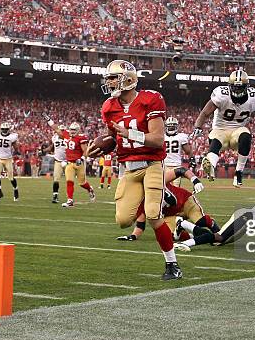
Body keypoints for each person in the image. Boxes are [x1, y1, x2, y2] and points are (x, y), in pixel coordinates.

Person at [88, 59, 182, 280]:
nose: (109, 83)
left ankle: (172, 265)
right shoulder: (109, 107)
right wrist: (102, 148)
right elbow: (113, 137)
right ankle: (161, 194)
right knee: (122, 220)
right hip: (129, 169)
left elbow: (158, 140)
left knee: (152, 215)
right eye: (108, 78)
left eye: (113, 78)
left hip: (152, 165)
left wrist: (130, 134)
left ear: (128, 79)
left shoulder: (151, 99)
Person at [192, 69, 255, 187]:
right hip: (220, 129)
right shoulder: (222, 94)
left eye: (240, 87)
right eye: (235, 87)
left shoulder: (253, 97)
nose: (237, 90)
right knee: (216, 141)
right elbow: (205, 112)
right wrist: (197, 126)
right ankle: (210, 166)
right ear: (229, 86)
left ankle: (239, 172)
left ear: (247, 87)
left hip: (237, 131)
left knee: (246, 135)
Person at [45, 121, 95, 207]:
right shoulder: (66, 135)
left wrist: (82, 158)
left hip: (79, 163)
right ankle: (70, 200)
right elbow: (56, 129)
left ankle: (90, 189)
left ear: (78, 130)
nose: (72, 131)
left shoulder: (81, 138)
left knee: (82, 183)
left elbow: (85, 150)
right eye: (71, 129)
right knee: (69, 181)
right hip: (69, 163)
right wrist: (49, 121)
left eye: (74, 130)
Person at [0, 122, 20, 202]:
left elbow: (16, 147)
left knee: (10, 178)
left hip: (8, 159)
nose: (4, 130)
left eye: (6, 129)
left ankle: (16, 190)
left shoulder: (12, 137)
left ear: (8, 129)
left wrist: (17, 152)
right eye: (3, 129)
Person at [164, 117, 196, 186]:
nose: (171, 128)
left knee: (175, 189)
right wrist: (192, 159)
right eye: (170, 127)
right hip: (166, 165)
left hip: (175, 166)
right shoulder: (181, 136)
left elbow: (188, 151)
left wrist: (191, 159)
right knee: (164, 188)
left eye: (172, 127)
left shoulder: (180, 136)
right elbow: (188, 151)